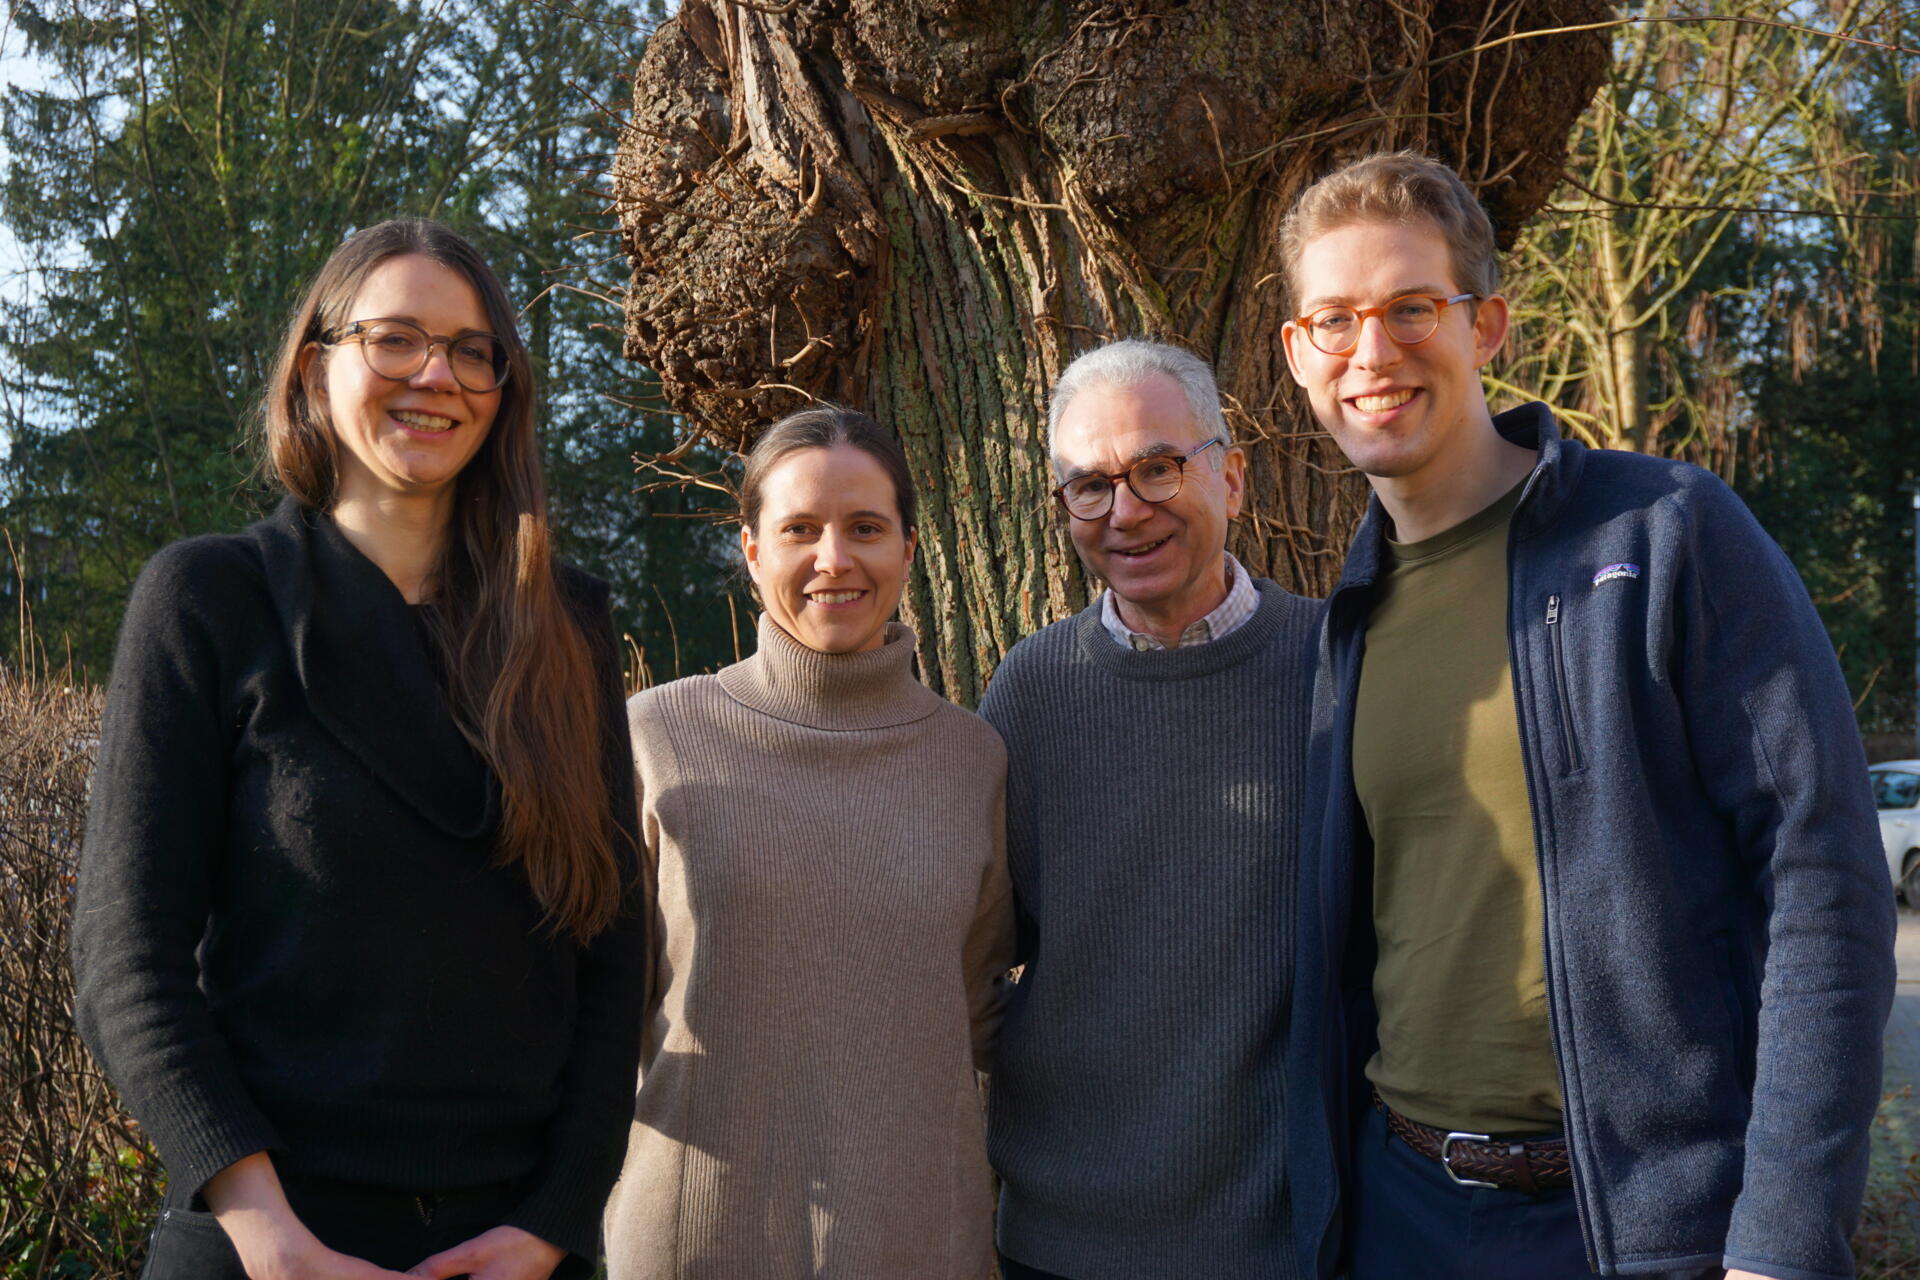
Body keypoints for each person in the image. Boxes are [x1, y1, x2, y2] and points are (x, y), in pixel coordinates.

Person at [1278, 151, 1897, 1280]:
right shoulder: (1349, 623)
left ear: (1488, 325)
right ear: (1298, 353)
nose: (1372, 351)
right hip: (1401, 1213)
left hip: (1649, 1227)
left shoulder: (1665, 533)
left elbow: (1826, 875)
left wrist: (1782, 1236)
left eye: (1413, 307)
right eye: (1334, 319)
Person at [70, 219, 647, 1280]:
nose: (437, 373)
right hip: (269, 1239)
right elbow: (126, 957)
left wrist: (558, 1216)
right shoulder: (207, 601)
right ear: (314, 365)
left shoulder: (564, 620)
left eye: (475, 350)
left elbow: (610, 949)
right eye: (395, 339)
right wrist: (265, 1228)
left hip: (514, 1248)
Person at [602, 406, 1014, 1279]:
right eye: (799, 530)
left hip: (925, 1246)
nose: (835, 559)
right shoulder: (653, 738)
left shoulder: (972, 761)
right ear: (751, 552)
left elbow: (976, 1012)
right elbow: (587, 1021)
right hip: (693, 1243)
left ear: (908, 546)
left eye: (866, 527)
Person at [977, 340, 1325, 1279]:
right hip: (1061, 1243)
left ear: (1233, 477)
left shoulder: (1337, 670)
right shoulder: (1030, 691)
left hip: (1286, 1244)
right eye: (1089, 485)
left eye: (1158, 469)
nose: (1126, 511)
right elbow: (971, 954)